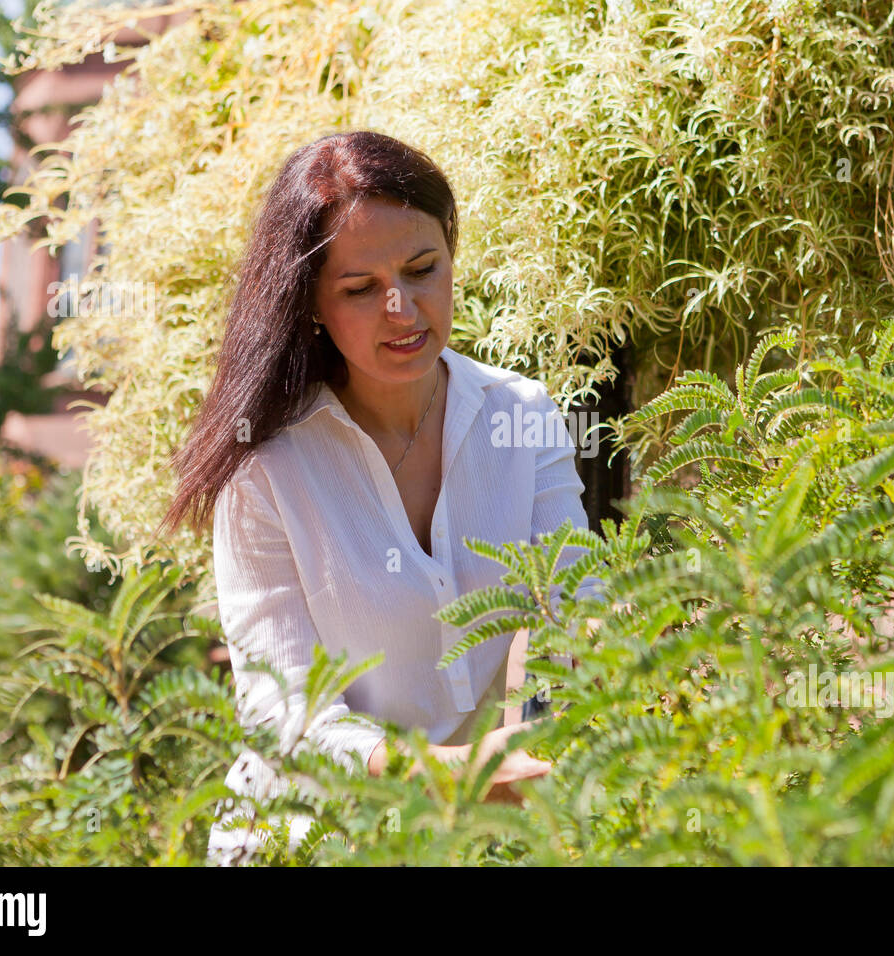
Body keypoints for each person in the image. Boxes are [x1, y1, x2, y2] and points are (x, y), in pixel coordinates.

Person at [155, 131, 604, 864]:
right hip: (307, 838)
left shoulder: (523, 414)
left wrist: (533, 737)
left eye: (423, 269)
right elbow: (283, 719)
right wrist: (452, 776)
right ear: (312, 307)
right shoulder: (264, 469)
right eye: (361, 289)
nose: (403, 309)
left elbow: (570, 606)